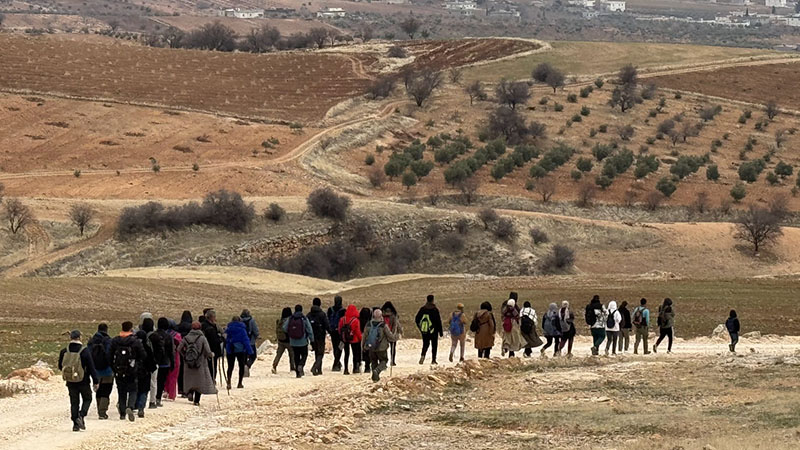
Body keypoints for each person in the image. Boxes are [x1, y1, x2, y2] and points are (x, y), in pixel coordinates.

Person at [59, 330, 99, 431]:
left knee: (74, 402)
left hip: (70, 381)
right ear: (80, 337)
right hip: (83, 380)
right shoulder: (84, 351)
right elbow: (91, 367)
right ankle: (81, 415)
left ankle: (75, 425)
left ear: (70, 338)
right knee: (87, 399)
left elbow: (60, 366)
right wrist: (95, 381)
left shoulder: (64, 351)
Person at [110, 321, 145, 422]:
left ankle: (122, 413)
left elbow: (110, 354)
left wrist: (113, 367)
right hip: (132, 369)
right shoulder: (135, 341)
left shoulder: (115, 340)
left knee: (121, 391)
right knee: (133, 390)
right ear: (130, 329)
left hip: (118, 369)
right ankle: (130, 406)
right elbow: (142, 355)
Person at [177, 322, 217, 406]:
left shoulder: (186, 338)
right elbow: (207, 350)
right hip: (200, 363)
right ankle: (196, 401)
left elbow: (179, 348)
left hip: (188, 362)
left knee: (190, 380)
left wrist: (184, 356)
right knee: (199, 382)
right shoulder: (202, 338)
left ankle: (190, 393)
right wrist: (211, 355)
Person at [87, 323, 113, 420]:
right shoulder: (109, 341)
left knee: (98, 390)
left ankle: (99, 409)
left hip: (95, 371)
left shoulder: (91, 341)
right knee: (106, 391)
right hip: (107, 371)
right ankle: (102, 412)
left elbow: (88, 355)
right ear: (106, 330)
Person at [362, 309, 396, 382]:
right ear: (381, 316)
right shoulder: (383, 325)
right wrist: (395, 337)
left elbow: (364, 336)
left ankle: (375, 378)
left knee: (373, 361)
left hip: (371, 347)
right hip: (382, 348)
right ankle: (377, 371)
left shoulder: (368, 325)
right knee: (384, 360)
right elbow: (390, 336)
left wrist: (363, 346)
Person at [284, 305, 314, 378]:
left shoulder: (290, 318)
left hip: (293, 341)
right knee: (304, 354)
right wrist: (312, 340)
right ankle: (301, 365)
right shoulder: (304, 318)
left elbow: (284, 328)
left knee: (296, 356)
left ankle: (298, 373)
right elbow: (309, 330)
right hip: (303, 341)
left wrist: (291, 334)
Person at [134, 318, 156, 417]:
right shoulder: (147, 347)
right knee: (144, 390)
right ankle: (141, 408)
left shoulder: (133, 347)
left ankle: (133, 405)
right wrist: (152, 369)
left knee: (135, 389)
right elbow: (151, 360)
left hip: (134, 372)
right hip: (145, 372)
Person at [225, 316, 253, 388]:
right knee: (241, 366)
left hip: (230, 349)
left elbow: (226, 339)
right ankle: (239, 383)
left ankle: (229, 382)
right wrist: (250, 351)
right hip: (240, 350)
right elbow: (245, 341)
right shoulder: (242, 330)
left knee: (230, 366)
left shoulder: (228, 329)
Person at [153, 318, 175, 407]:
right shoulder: (168, 336)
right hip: (165, 362)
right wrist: (172, 362)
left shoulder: (153, 335)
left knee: (153, 381)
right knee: (161, 381)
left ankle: (152, 398)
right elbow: (171, 351)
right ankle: (158, 398)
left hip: (154, 361)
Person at [416, 295, 443, 365]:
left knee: (425, 344)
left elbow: (417, 319)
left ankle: (423, 356)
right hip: (434, 330)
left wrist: (420, 328)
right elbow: (438, 321)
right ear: (432, 300)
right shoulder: (435, 309)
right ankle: (433, 360)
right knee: (434, 345)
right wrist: (441, 332)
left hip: (425, 331)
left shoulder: (422, 309)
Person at [307, 298, 330, 376]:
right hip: (320, 336)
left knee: (317, 352)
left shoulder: (309, 314)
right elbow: (326, 325)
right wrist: (330, 332)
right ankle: (315, 367)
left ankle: (319, 370)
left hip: (312, 337)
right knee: (320, 353)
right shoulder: (322, 314)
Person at [339, 304, 363, 375]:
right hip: (354, 339)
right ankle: (355, 368)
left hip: (345, 339)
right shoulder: (356, 320)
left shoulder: (342, 319)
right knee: (355, 354)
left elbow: (340, 329)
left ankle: (346, 369)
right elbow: (358, 331)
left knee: (346, 354)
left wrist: (342, 336)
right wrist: (361, 338)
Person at [202, 310, 224, 382]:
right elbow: (214, 340)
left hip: (205, 350)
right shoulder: (210, 328)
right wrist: (221, 338)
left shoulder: (204, 325)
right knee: (212, 367)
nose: (215, 319)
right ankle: (211, 381)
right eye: (214, 317)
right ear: (211, 318)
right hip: (212, 350)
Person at [272, 307, 296, 374]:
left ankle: (274, 365)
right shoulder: (289, 320)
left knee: (278, 354)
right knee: (291, 354)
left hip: (280, 340)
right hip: (288, 340)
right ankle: (292, 367)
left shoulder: (279, 320)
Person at [327, 296, 345, 372]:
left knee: (335, 347)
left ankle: (337, 363)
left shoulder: (330, 310)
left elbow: (328, 319)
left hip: (332, 331)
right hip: (340, 331)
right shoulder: (343, 311)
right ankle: (336, 364)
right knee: (340, 347)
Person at [164, 320, 182, 400]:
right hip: (175, 356)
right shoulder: (177, 335)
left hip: (165, 356)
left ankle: (166, 391)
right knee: (173, 376)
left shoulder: (164, 334)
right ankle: (172, 394)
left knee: (166, 375)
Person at [176, 311, 193, 397]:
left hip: (180, 349)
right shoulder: (191, 327)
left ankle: (180, 388)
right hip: (190, 350)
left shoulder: (177, 327)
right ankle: (188, 389)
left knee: (181, 369)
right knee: (189, 370)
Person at [381, 301, 402, 367]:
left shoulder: (382, 315)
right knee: (393, 348)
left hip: (384, 334)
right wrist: (400, 331)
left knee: (384, 348)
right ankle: (392, 361)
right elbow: (396, 324)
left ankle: (384, 361)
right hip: (393, 333)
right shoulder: (393, 315)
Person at [241, 309, 259, 374]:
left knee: (244, 356)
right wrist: (256, 336)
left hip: (242, 342)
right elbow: (256, 331)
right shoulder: (251, 321)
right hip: (251, 341)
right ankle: (248, 365)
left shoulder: (240, 321)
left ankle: (243, 370)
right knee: (253, 356)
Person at [359, 307, 373, 373]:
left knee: (360, 352)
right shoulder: (370, 323)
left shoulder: (359, 321)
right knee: (368, 352)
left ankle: (358, 364)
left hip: (360, 338)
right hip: (368, 339)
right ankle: (367, 367)